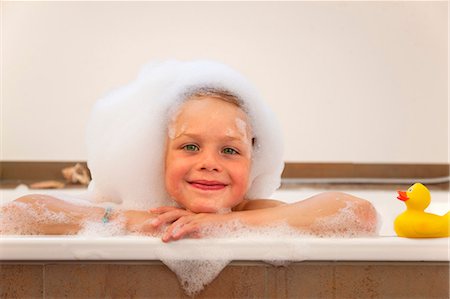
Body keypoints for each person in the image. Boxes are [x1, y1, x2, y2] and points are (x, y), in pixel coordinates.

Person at [1, 61, 378, 240]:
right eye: (190, 146)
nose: (209, 164)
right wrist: (129, 222)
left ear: (254, 161)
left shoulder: (249, 211)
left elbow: (358, 214)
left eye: (230, 151)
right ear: (157, 155)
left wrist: (225, 223)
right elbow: (19, 212)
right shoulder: (144, 207)